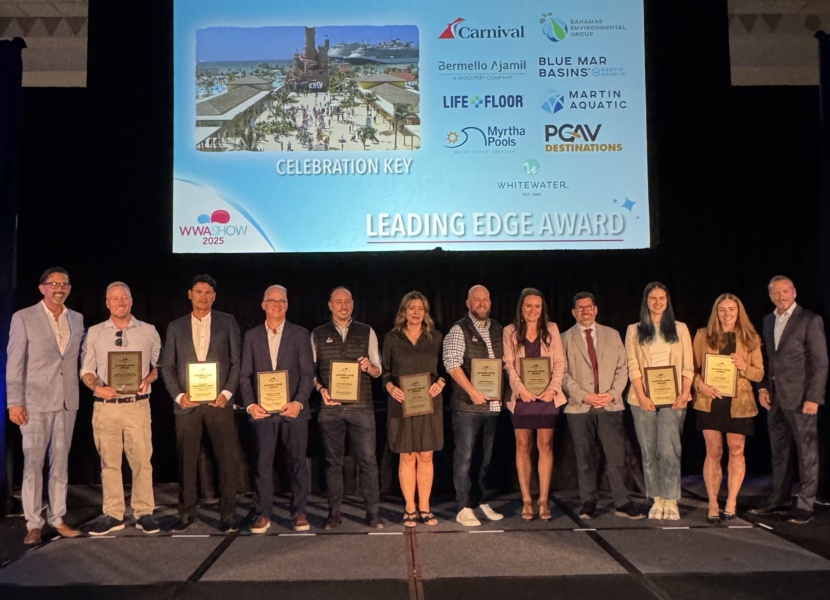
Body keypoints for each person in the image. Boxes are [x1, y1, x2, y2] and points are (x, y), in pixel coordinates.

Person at [6, 267, 84, 545]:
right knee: (33, 464)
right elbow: (14, 363)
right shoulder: (23, 317)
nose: (59, 289)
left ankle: (57, 518)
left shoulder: (77, 318)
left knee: (60, 464)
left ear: (69, 289)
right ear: (42, 288)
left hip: (67, 401)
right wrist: (15, 402)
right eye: (54, 284)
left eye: (64, 284)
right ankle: (33, 523)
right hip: (35, 402)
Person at [160, 274, 241, 533]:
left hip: (220, 403)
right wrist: (179, 396)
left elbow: (237, 362)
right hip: (187, 404)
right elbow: (167, 366)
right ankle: (186, 514)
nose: (203, 296)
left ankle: (228, 514)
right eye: (198, 291)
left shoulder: (228, 322)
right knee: (187, 460)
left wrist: (226, 393)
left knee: (226, 460)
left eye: (208, 292)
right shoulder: (175, 326)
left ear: (214, 296)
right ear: (189, 294)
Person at [80, 282, 162, 535]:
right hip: (106, 407)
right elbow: (86, 370)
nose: (120, 302)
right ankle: (113, 514)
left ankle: (144, 512)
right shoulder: (95, 332)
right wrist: (97, 388)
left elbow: (160, 365)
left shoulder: (148, 331)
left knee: (142, 461)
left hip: (137, 405)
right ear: (107, 303)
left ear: (131, 300)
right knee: (110, 463)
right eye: (114, 298)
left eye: (124, 297)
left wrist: (149, 378)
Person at [749, 275, 828, 524]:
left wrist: (814, 397)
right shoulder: (768, 320)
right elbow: (767, 359)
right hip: (775, 399)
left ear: (794, 292)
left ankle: (805, 504)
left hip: (802, 399)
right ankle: (779, 498)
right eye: (776, 292)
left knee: (807, 453)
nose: (781, 296)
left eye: (785, 291)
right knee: (779, 452)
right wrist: (762, 388)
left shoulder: (810, 320)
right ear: (770, 296)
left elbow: (820, 362)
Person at [561, 292, 643, 520]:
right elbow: (562, 373)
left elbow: (623, 368)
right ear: (574, 312)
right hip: (579, 406)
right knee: (585, 457)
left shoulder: (612, 334)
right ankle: (588, 502)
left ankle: (622, 502)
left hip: (610, 404)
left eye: (588, 307)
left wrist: (612, 394)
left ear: (596, 309)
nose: (585, 311)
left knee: (616, 456)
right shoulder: (564, 338)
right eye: (580, 308)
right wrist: (583, 395)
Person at [240, 285, 315, 533]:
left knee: (298, 463)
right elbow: (244, 375)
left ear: (287, 305)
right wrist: (250, 405)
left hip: (292, 411)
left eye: (282, 301)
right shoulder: (251, 336)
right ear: (263, 305)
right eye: (272, 301)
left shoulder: (300, 334)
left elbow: (307, 374)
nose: (277, 305)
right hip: (262, 412)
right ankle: (263, 513)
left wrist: (298, 402)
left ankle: (300, 512)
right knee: (262, 464)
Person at [312, 287, 384, 529]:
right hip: (330, 408)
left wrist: (369, 367)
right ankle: (334, 513)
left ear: (353, 304)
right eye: (338, 302)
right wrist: (321, 390)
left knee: (368, 461)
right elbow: (310, 372)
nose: (343, 306)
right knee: (333, 462)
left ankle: (373, 513)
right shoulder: (317, 334)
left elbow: (378, 369)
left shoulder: (367, 331)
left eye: (347, 301)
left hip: (361, 407)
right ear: (330, 305)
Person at [692, 293, 764, 524]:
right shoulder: (703, 335)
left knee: (736, 450)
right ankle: (713, 503)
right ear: (716, 312)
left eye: (732, 309)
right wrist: (701, 385)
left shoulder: (750, 338)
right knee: (713, 451)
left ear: (739, 312)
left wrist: (744, 367)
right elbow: (691, 370)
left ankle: (731, 501)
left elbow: (759, 374)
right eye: (722, 309)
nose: (727, 314)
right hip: (710, 401)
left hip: (739, 404)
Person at [625, 282, 693, 520]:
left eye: (662, 298)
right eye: (653, 298)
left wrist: (684, 393)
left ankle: (671, 499)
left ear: (667, 301)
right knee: (649, 450)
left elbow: (688, 365)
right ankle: (657, 499)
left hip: (674, 398)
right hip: (642, 398)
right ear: (646, 301)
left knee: (669, 449)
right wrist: (642, 396)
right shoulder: (634, 330)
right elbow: (632, 365)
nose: (657, 302)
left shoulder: (680, 328)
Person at [443, 285, 505, 526]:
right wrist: (472, 391)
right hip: (467, 406)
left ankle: (479, 500)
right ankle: (463, 506)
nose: (481, 303)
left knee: (485, 457)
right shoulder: (459, 329)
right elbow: (451, 364)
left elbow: (504, 363)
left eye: (485, 299)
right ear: (468, 303)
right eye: (476, 300)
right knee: (465, 456)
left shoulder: (498, 328)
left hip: (492, 405)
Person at [383, 291, 446, 527]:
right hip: (401, 403)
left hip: (429, 402)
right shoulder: (392, 338)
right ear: (404, 311)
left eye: (420, 308)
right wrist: (390, 387)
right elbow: (385, 372)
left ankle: (425, 508)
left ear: (426, 312)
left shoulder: (436, 337)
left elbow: (445, 370)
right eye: (412, 308)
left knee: (426, 455)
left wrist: (441, 383)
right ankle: (410, 508)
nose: (416, 312)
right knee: (407, 455)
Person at [503, 288, 565, 521]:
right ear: (521, 307)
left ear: (542, 308)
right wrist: (522, 390)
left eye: (537, 306)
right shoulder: (509, 331)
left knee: (545, 445)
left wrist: (553, 389)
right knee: (522, 446)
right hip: (522, 398)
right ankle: (527, 500)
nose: (533, 310)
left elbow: (559, 362)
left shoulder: (552, 329)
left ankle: (543, 500)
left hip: (547, 398)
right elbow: (509, 365)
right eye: (528, 305)